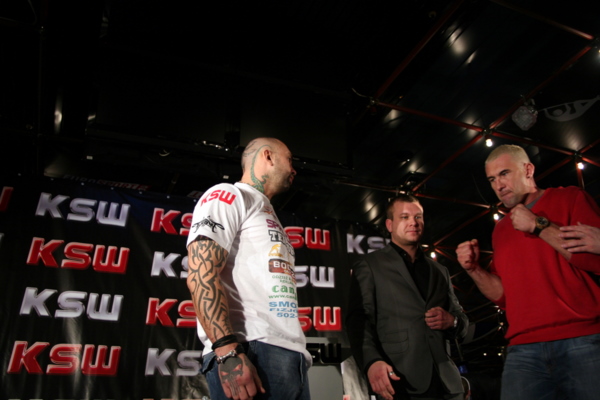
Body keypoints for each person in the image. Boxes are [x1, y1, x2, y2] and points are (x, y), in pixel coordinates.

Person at [456, 144, 600, 400]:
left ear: (528, 170)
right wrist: (474, 270)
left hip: (582, 338)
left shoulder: (570, 198)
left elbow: (593, 260)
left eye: (504, 173)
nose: (499, 185)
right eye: (492, 179)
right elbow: (503, 296)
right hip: (522, 349)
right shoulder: (501, 229)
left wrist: (538, 224)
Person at [186, 137, 311, 400]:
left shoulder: (265, 210)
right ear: (268, 156)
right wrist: (227, 350)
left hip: (289, 354)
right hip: (250, 350)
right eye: (289, 160)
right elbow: (201, 272)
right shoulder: (229, 194)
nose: (294, 170)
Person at [346, 194, 469, 400]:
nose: (413, 222)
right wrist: (371, 362)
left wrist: (452, 321)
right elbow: (359, 320)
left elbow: (462, 322)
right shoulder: (370, 265)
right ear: (389, 225)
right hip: (400, 381)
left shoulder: (440, 271)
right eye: (404, 217)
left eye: (418, 217)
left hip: (447, 383)